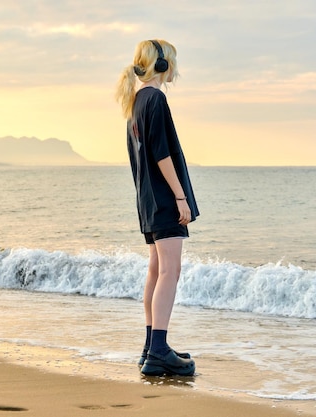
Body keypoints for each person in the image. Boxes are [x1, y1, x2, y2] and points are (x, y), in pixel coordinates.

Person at [115, 39, 199, 377]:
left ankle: (152, 346)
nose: (175, 67)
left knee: (156, 269)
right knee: (169, 271)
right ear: (162, 66)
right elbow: (162, 155)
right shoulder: (156, 99)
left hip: (147, 200)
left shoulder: (135, 103)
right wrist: (180, 197)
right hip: (164, 200)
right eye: (173, 61)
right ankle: (159, 351)